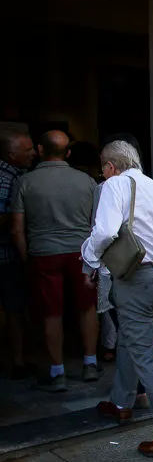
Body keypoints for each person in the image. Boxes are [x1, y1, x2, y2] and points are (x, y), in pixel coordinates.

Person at [85, 141, 153, 458]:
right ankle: (120, 402)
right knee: (133, 336)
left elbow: (104, 232)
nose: (102, 173)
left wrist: (88, 259)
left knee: (147, 356)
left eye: (102, 167)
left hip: (136, 277)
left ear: (111, 166)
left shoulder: (114, 185)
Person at [11, 130, 99, 391]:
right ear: (68, 153)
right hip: (81, 252)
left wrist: (27, 257)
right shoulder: (86, 182)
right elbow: (98, 223)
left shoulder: (26, 182)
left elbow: (16, 228)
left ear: (40, 150)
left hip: (44, 252)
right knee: (87, 308)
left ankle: (57, 370)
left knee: (51, 312)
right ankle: (90, 363)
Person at [0, 130, 36, 379]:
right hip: (5, 255)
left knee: (14, 307)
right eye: (27, 150)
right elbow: (6, 220)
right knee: (13, 307)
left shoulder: (18, 175)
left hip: (9, 253)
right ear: (12, 155)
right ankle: (17, 361)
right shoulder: (5, 178)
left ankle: (17, 360)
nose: (34, 153)